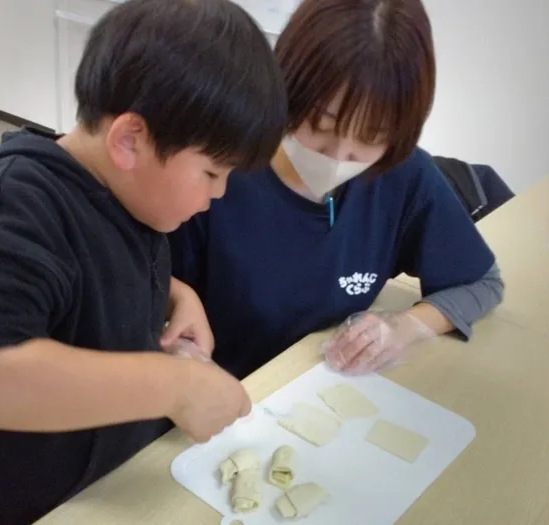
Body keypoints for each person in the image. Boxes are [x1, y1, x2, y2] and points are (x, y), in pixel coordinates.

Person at [0, 1, 286, 524]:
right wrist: (171, 386)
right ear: (130, 140)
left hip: (106, 485)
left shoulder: (133, 196)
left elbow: (95, 275)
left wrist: (179, 294)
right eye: (211, 173)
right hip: (13, 507)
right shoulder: (11, 202)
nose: (218, 195)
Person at [169, 0, 505, 380]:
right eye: (321, 125)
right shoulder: (217, 166)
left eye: (371, 137)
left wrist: (404, 328)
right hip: (217, 402)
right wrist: (179, 342)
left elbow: (480, 281)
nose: (339, 155)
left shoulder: (401, 176)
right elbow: (139, 285)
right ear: (287, 87)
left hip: (323, 393)